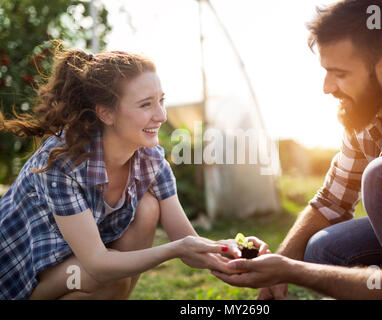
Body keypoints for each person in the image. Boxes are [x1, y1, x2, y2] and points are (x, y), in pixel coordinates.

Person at [213, 0, 382, 299]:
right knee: (324, 247)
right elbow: (332, 202)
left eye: (339, 73)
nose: (327, 87)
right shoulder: (368, 109)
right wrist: (279, 265)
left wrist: (290, 270)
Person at [0, 48, 268, 300]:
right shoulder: (61, 161)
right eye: (145, 105)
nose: (161, 115)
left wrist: (229, 253)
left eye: (161, 101)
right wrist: (175, 249)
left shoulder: (150, 159)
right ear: (105, 113)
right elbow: (97, 263)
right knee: (108, 277)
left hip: (76, 265)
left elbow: (187, 242)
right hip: (21, 274)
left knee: (148, 207)